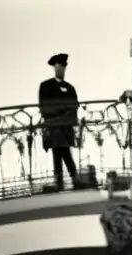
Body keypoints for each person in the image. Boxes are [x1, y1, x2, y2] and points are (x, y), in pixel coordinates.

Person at [38, 53, 79, 191]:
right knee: (59, 151)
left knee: (63, 151)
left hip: (65, 127)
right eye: (59, 67)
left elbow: (74, 107)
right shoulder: (46, 86)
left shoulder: (70, 88)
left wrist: (64, 113)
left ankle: (65, 181)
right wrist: (61, 111)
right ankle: (69, 180)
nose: (61, 70)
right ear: (55, 68)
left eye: (63, 67)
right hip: (54, 126)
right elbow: (44, 107)